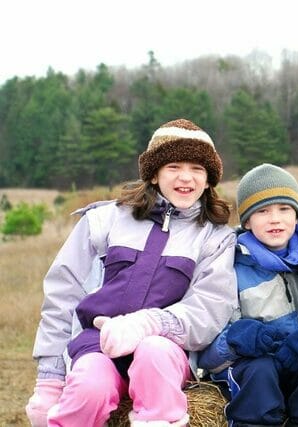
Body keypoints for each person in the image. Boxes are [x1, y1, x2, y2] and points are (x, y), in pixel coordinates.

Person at [25, 119, 238, 427]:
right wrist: (50, 379)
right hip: (96, 345)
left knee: (153, 354)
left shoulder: (214, 237)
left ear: (208, 180)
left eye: (197, 169)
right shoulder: (103, 221)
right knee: (89, 386)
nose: (186, 177)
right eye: (173, 166)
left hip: (167, 350)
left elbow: (210, 307)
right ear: (154, 173)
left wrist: (148, 323)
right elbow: (63, 296)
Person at [199, 163, 298, 427]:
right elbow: (207, 350)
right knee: (260, 372)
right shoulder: (230, 264)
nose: (275, 218)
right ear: (247, 221)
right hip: (251, 363)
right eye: (262, 211)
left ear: (297, 216)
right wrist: (233, 340)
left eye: (284, 209)